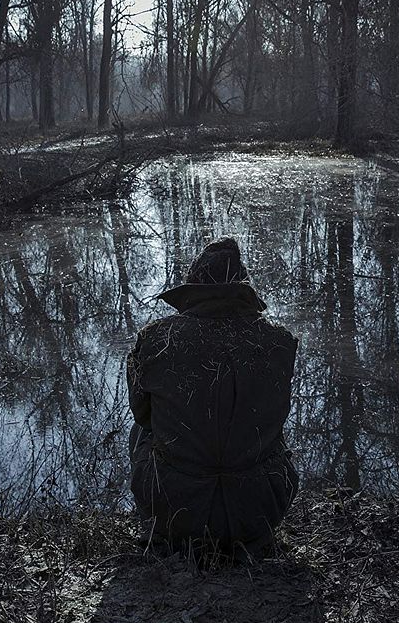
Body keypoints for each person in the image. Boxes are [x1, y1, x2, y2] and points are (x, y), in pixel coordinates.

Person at [127, 237, 299, 558]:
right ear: (244, 287)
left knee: (141, 432)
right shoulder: (280, 342)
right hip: (260, 510)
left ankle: (159, 530)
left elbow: (143, 416)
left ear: (193, 286)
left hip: (175, 511)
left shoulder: (154, 340)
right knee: (271, 432)